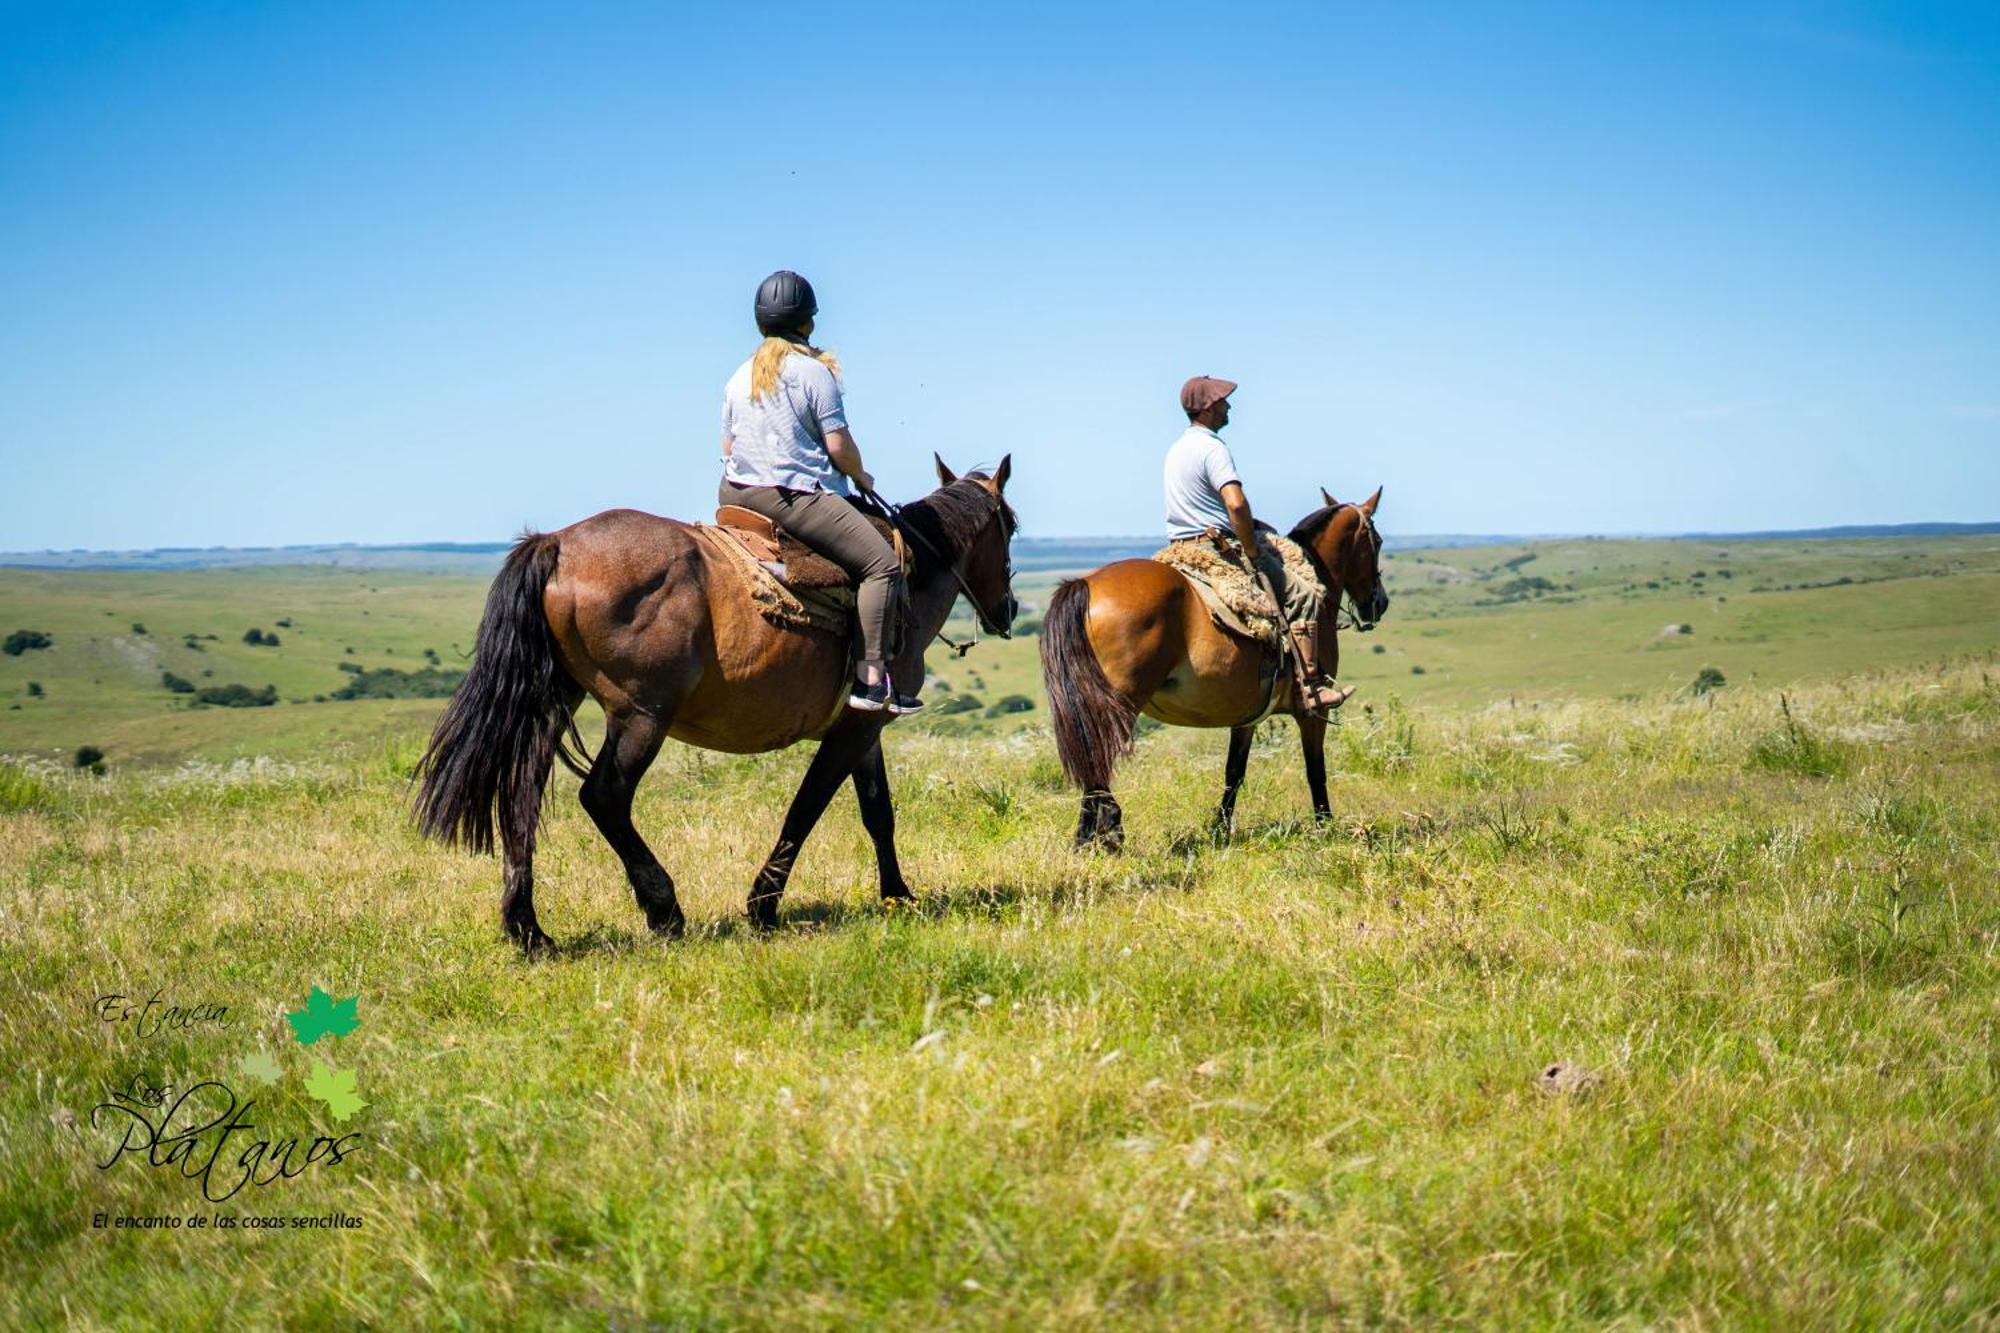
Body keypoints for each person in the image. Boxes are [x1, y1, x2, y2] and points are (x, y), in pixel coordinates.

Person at [718, 270, 921, 714]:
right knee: (882, 565)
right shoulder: (814, 372)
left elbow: (728, 446)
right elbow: (837, 445)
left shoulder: (739, 376)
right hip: (793, 496)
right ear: (808, 322)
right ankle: (871, 681)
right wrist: (861, 476)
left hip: (734, 494)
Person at [1164, 375, 1354, 713]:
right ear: (1208, 407)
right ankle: (1310, 688)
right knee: (1305, 594)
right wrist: (1251, 548)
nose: (1229, 406)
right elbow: (1235, 504)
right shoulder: (1213, 447)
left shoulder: (1177, 449)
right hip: (1214, 548)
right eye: (1223, 401)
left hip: (1179, 546)